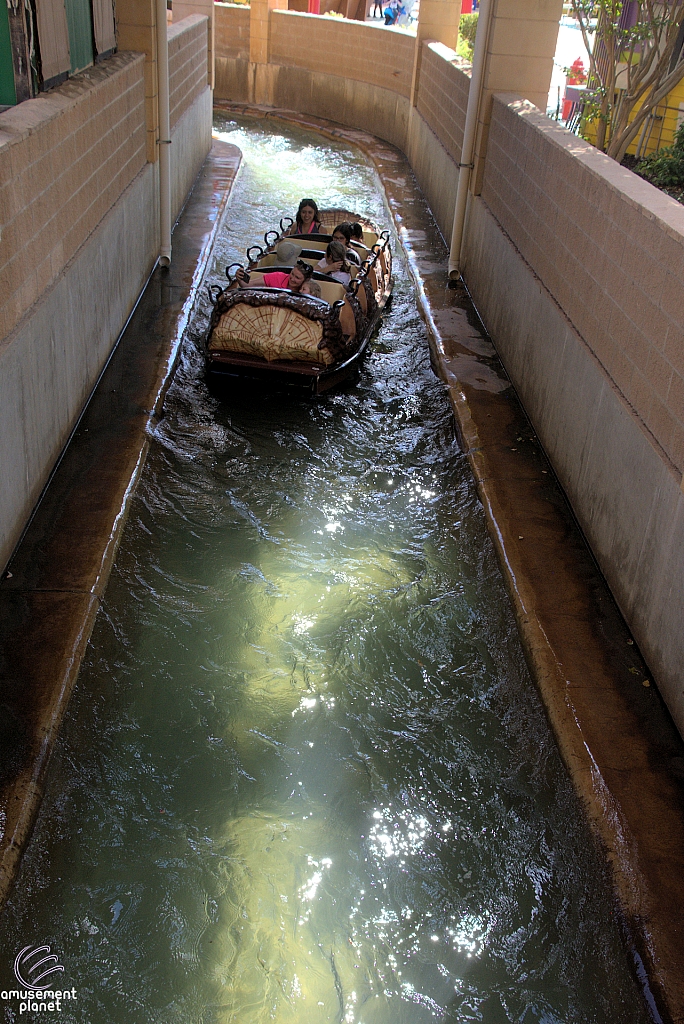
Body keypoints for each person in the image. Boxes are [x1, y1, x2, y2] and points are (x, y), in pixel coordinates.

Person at [235, 260, 314, 292]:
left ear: (305, 280)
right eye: (292, 274)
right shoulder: (277, 277)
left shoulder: (308, 289)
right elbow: (248, 286)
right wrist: (240, 278)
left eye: (297, 278)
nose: (292, 279)